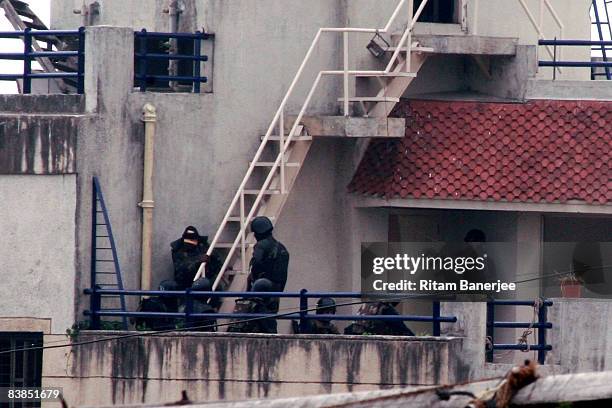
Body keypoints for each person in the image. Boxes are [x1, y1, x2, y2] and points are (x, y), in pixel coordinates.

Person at [247, 216, 289, 313]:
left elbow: (256, 265)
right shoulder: (281, 247)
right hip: (276, 292)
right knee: (270, 320)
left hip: (261, 291)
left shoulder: (261, 245)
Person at [170, 226, 221, 290]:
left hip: (206, 283)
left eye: (193, 241)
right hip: (185, 286)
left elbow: (217, 262)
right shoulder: (178, 249)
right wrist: (197, 260)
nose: (191, 245)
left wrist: (210, 259)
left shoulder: (203, 246)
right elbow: (181, 269)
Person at [344, 300, 415, 336]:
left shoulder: (369, 303)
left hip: (355, 332)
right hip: (365, 335)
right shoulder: (385, 308)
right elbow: (401, 327)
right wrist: (415, 338)